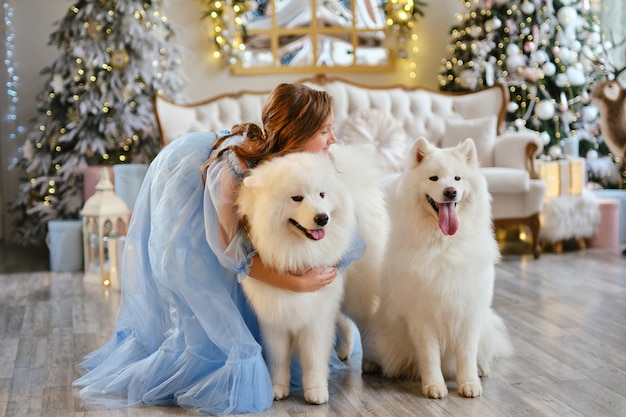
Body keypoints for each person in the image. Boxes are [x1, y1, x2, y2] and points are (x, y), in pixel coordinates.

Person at [73, 83, 365, 415]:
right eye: (325, 131)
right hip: (196, 212)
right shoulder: (236, 169)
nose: (333, 139)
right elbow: (232, 253)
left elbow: (340, 228)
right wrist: (295, 282)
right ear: (298, 132)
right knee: (218, 301)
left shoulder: (312, 168)